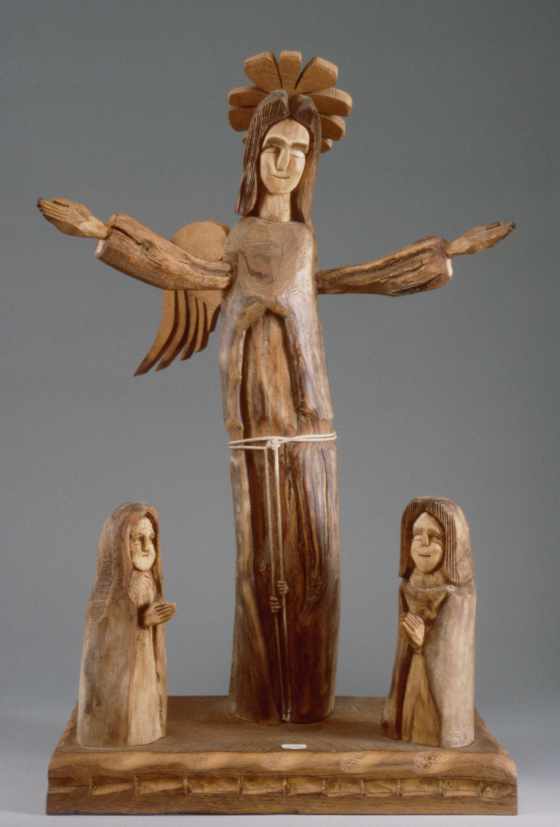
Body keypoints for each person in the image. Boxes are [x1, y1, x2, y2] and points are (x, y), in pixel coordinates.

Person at [38, 52, 511, 726]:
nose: (285, 161)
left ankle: (308, 702)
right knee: (261, 574)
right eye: (273, 147)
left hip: (313, 429)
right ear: (253, 154)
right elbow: (184, 269)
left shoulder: (303, 240)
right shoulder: (239, 239)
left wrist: (446, 254)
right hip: (254, 430)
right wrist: (101, 230)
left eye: (299, 150)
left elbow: (353, 279)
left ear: (311, 161)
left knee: (315, 572)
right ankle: (263, 700)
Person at [77, 503, 176, 747]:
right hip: (124, 676)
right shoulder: (109, 590)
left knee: (146, 699)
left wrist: (154, 620)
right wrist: (141, 620)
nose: (147, 547)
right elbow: (101, 633)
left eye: (151, 539)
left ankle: (149, 727)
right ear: (119, 543)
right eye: (137, 539)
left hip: (146, 664)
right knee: (130, 708)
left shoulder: (150, 581)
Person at [382, 497, 476, 749]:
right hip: (411, 672)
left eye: (434, 536)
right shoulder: (407, 585)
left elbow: (454, 651)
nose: (423, 543)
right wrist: (411, 642)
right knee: (408, 711)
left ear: (453, 544)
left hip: (438, 683)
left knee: (432, 720)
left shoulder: (458, 593)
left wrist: (424, 642)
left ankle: (443, 732)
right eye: (416, 535)